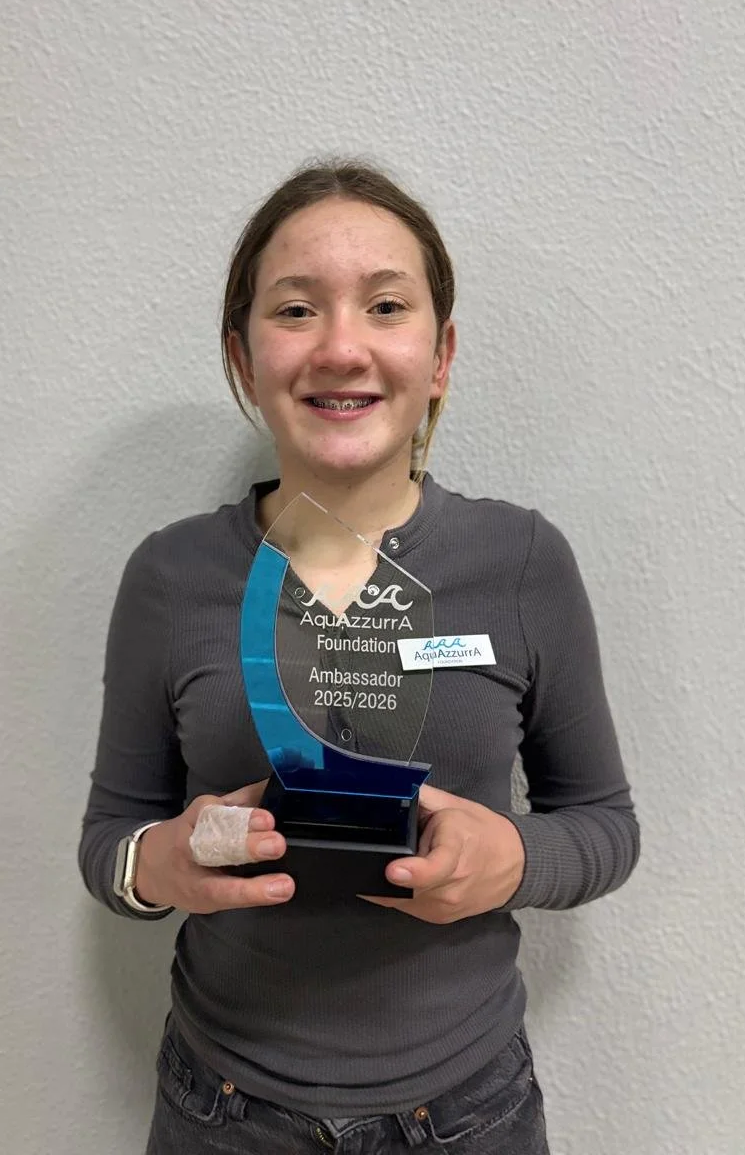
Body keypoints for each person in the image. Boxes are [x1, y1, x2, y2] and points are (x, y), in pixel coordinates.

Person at [79, 161, 640, 1154]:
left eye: (386, 305)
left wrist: (514, 858)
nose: (342, 346)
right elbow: (110, 843)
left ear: (441, 354)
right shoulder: (171, 576)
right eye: (296, 309)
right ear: (244, 358)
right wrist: (164, 862)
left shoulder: (522, 563)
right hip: (225, 1113)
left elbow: (604, 824)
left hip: (471, 1111)